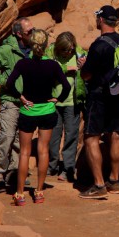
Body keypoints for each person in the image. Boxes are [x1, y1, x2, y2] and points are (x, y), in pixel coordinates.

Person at [6, 29, 71, 205]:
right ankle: (39, 192)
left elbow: (10, 83)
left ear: (31, 44)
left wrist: (21, 98)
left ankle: (20, 194)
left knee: (25, 152)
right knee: (43, 150)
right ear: (45, 44)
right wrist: (57, 99)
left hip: (29, 110)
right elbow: (66, 86)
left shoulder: (23, 64)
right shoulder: (53, 65)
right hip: (47, 111)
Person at [78, 5, 119, 199]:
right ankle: (114, 181)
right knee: (115, 135)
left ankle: (99, 184)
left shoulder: (99, 44)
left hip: (99, 96)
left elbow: (87, 74)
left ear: (100, 20)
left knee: (91, 138)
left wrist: (84, 66)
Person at [0, 17, 34, 189]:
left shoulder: (34, 49)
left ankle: (14, 172)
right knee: (7, 136)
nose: (32, 34)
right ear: (19, 34)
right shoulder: (6, 50)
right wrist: (4, 81)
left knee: (21, 140)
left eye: (33, 30)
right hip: (10, 100)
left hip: (28, 102)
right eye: (29, 32)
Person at [45, 31, 87, 183]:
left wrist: (82, 66)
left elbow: (88, 72)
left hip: (72, 101)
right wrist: (66, 70)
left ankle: (68, 169)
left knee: (71, 135)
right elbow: (46, 72)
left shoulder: (80, 54)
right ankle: (51, 166)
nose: (68, 53)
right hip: (53, 101)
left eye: (70, 49)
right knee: (53, 136)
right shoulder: (50, 53)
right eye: (65, 50)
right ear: (58, 48)